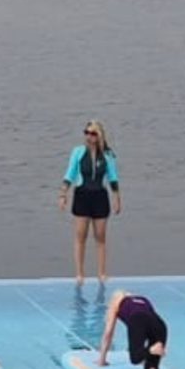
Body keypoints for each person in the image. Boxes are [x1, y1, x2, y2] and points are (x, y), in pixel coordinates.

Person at [60, 121, 121, 285]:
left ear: (99, 136)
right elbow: (70, 173)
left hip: (100, 196)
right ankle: (80, 273)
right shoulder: (78, 152)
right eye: (86, 133)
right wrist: (63, 194)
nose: (89, 136)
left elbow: (113, 178)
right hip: (82, 195)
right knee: (81, 236)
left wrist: (117, 198)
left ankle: (101, 273)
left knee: (100, 237)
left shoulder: (107, 155)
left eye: (93, 133)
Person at [96, 290, 170, 369]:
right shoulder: (143, 299)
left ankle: (152, 350)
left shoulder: (116, 304)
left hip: (138, 320)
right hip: (160, 324)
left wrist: (102, 360)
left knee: (135, 358)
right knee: (151, 366)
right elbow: (148, 326)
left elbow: (108, 333)